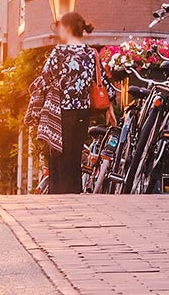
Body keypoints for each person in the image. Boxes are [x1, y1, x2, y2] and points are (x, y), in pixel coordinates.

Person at [23, 11, 107, 194]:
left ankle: (59, 193)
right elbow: (100, 82)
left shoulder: (59, 52)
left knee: (58, 152)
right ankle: (74, 192)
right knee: (75, 154)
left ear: (67, 28)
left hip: (60, 111)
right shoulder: (91, 53)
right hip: (83, 111)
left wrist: (35, 106)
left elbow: (44, 79)